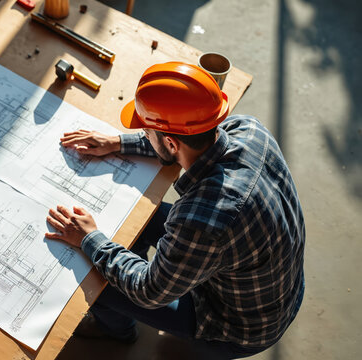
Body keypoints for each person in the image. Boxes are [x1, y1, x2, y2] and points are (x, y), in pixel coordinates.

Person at [45, 62, 305, 359]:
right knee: (145, 221)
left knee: (97, 284)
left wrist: (89, 238)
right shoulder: (248, 129)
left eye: (146, 130)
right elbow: (176, 143)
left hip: (239, 326)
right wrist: (117, 142)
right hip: (276, 287)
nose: (143, 132)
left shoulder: (203, 219)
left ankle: (117, 332)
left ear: (170, 142)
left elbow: (149, 291)